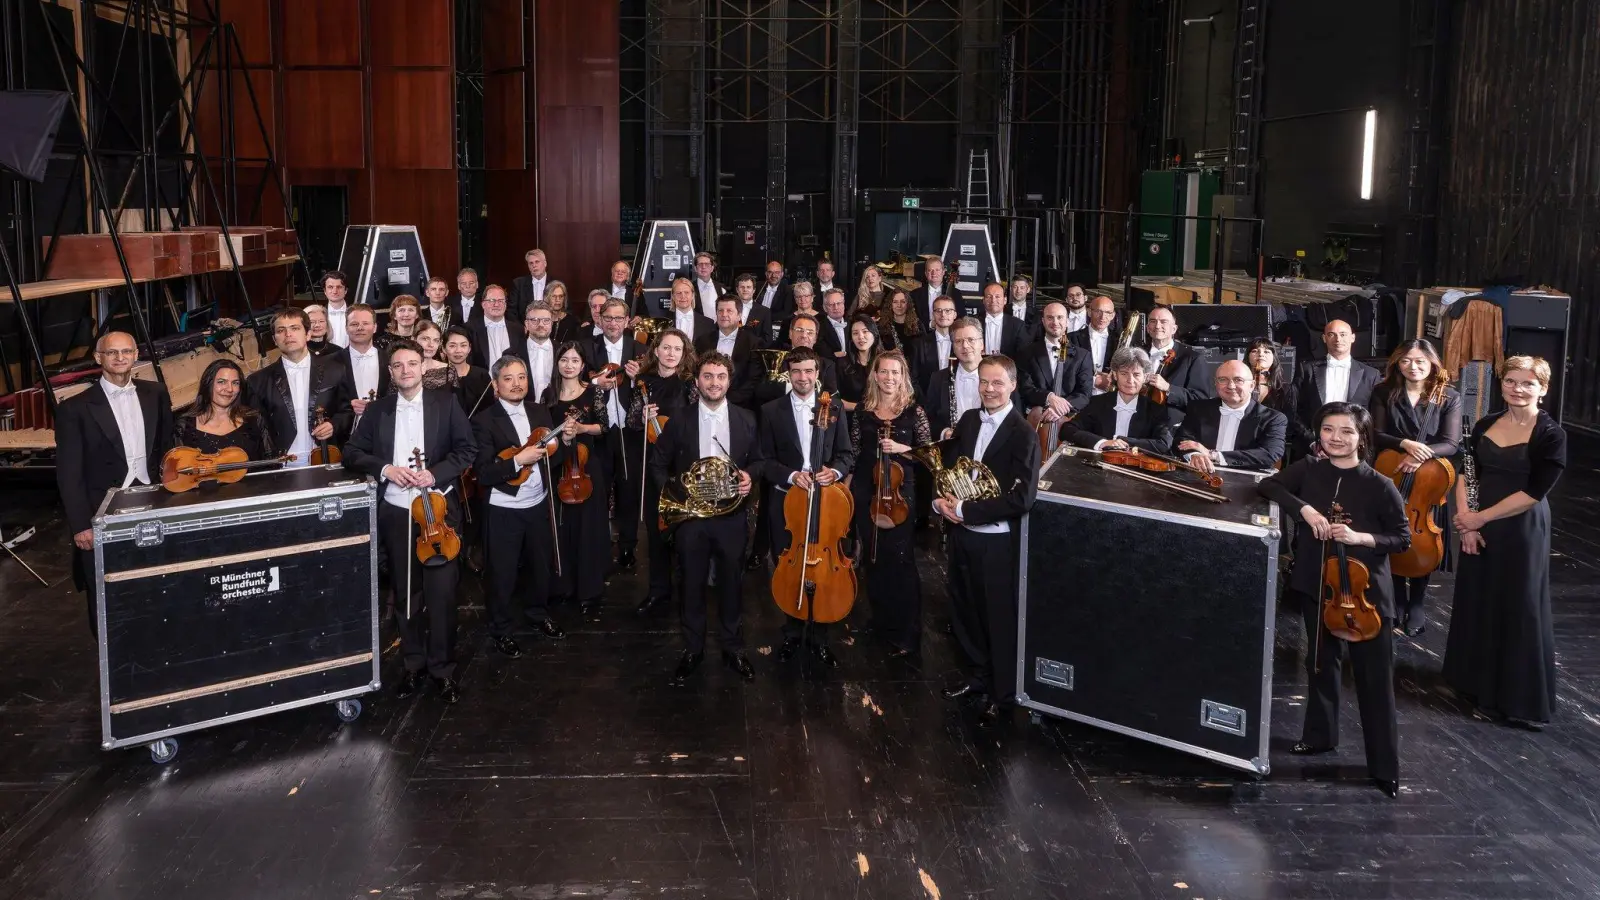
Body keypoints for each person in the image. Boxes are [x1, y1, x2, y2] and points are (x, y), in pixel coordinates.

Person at [1257, 402, 1410, 797]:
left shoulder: (1380, 484)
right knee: (1321, 664)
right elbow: (1268, 485)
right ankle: (1320, 736)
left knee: (1373, 678)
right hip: (1317, 584)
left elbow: (1402, 539)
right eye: (1328, 430)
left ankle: (1384, 766)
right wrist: (1304, 509)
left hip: (1366, 595)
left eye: (1346, 432)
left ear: (1363, 438)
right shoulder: (1308, 469)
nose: (1336, 438)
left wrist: (1361, 539)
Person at [343, 340, 477, 703]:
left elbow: (467, 450)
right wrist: (386, 468)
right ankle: (413, 665)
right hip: (397, 512)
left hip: (439, 513)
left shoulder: (446, 404)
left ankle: (443, 669)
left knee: (443, 595)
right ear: (391, 372)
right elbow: (352, 452)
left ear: (424, 368)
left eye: (412, 363)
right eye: (398, 365)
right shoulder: (377, 411)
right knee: (406, 595)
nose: (406, 370)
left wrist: (434, 474)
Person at [1444, 355, 1566, 730]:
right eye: (1511, 381)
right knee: (1479, 597)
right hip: (1478, 523)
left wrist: (1480, 518)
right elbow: (1467, 474)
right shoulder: (1485, 423)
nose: (1517, 389)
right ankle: (1474, 685)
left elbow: (1534, 493)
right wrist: (1467, 525)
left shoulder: (1550, 434)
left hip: (1520, 528)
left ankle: (1516, 698)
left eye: (1528, 383)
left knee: (1519, 605)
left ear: (1543, 390)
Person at [936, 354, 1040, 726]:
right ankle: (978, 679)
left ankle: (1003, 693)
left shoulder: (1024, 432)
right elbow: (949, 469)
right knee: (966, 611)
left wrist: (966, 510)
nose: (989, 389)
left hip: (996, 542)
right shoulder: (967, 420)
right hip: (963, 535)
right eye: (984, 382)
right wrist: (940, 499)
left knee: (999, 618)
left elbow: (1022, 498)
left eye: (997, 383)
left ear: (1012, 385)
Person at [651, 353, 760, 686]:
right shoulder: (679, 420)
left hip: (731, 517)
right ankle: (693, 648)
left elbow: (759, 461)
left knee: (732, 583)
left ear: (729, 380)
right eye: (708, 376)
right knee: (692, 584)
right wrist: (676, 498)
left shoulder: (747, 419)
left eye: (721, 377)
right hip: (692, 518)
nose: (715, 383)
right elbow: (658, 463)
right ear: (697, 381)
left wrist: (749, 477)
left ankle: (732, 647)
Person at [54, 332, 174, 630]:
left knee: (155, 578)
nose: (120, 358)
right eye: (112, 353)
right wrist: (81, 524)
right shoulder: (75, 408)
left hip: (152, 498)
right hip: (102, 509)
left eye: (126, 351)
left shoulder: (156, 393)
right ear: (98, 358)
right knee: (105, 589)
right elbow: (69, 473)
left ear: (136, 355)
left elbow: (167, 449)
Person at [758, 347, 856, 667]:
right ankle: (791, 632)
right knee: (787, 563)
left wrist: (835, 471)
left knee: (824, 566)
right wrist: (790, 475)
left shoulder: (835, 407)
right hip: (786, 502)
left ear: (817, 374)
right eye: (797, 371)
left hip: (825, 503)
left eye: (808, 371)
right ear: (789, 373)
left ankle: (820, 636)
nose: (803, 377)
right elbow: (762, 461)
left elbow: (846, 454)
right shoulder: (771, 410)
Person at [470, 353, 568, 657]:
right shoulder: (483, 421)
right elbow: (483, 472)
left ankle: (538, 614)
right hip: (504, 509)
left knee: (540, 566)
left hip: (538, 503)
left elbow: (557, 459)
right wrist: (516, 461)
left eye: (522, 377)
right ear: (496, 385)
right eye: (509, 378)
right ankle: (501, 628)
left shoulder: (540, 412)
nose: (517, 384)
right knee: (502, 572)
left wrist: (562, 443)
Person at [1370, 338, 1462, 635]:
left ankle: (1418, 603)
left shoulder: (1449, 396)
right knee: (1392, 533)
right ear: (1398, 362)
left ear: (1433, 364)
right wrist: (1405, 444)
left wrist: (1421, 456)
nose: (1413, 366)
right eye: (1407, 360)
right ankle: (1396, 598)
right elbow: (1377, 433)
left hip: (1428, 478)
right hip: (1391, 471)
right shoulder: (1384, 392)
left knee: (1422, 536)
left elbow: (1450, 443)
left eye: (1421, 361)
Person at [850, 350, 932, 657]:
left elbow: (927, 454)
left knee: (900, 559)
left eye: (895, 372)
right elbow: (856, 451)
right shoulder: (863, 410)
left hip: (900, 493)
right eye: (883, 372)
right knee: (874, 558)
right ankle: (881, 621)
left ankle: (907, 632)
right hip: (866, 490)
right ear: (874, 375)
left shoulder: (914, 411)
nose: (889, 378)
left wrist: (901, 447)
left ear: (903, 376)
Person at [631, 328, 699, 614]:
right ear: (656, 350)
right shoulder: (642, 382)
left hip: (682, 465)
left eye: (677, 349)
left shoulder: (689, 384)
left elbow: (699, 422)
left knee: (685, 531)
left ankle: (688, 590)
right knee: (656, 528)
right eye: (666, 348)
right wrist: (641, 417)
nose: (671, 353)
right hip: (654, 465)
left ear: (684, 355)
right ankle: (658, 590)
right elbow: (632, 422)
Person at [543, 343, 610, 618]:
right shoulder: (549, 394)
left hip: (586, 466)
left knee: (588, 529)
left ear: (583, 365)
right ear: (557, 363)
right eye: (564, 359)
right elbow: (544, 432)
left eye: (575, 360)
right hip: (560, 466)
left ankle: (589, 591)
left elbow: (604, 426)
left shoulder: (593, 392)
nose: (569, 365)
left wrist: (581, 428)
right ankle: (564, 586)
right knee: (562, 527)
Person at [244, 308, 353, 468]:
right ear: (274, 339)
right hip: (281, 465)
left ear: (308, 334)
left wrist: (333, 425)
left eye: (295, 328)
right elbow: (256, 430)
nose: (288, 335)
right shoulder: (257, 381)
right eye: (281, 330)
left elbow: (347, 411)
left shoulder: (336, 370)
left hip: (325, 459)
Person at [589, 298, 648, 569]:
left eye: (618, 318)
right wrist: (595, 383)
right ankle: (598, 545)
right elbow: (574, 379)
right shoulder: (589, 348)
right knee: (598, 491)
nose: (613, 323)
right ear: (600, 319)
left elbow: (653, 385)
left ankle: (627, 547)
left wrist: (637, 378)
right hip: (599, 432)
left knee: (628, 491)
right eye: (608, 318)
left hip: (629, 431)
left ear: (627, 321)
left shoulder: (640, 350)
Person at [1175, 360, 1289, 473]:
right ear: (1215, 383)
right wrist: (1195, 454)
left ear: (1252, 385)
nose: (1231, 386)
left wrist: (1213, 455)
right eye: (1223, 379)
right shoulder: (1198, 408)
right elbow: (1182, 440)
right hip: (1201, 478)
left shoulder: (1273, 418)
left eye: (1238, 380)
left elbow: (1269, 454)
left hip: (1246, 484)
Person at [1061, 347, 1174, 454]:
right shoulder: (1097, 403)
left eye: (1136, 374)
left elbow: (1164, 443)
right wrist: (1102, 442)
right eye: (1124, 374)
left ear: (1145, 377)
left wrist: (1122, 441)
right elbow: (1067, 430)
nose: (1130, 380)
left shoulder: (1155, 410)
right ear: (1115, 375)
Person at [1294, 318, 1380, 453]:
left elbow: (1374, 416)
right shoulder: (1306, 369)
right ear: (1324, 338)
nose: (1338, 339)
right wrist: (1312, 442)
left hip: (1353, 449)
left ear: (1353, 337)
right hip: (1312, 447)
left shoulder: (1371, 374)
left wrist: (1357, 443)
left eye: (1343, 334)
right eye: (1331, 334)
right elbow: (1294, 410)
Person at [1017, 301, 1093, 443]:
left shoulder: (1083, 356)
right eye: (1050, 317)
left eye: (1060, 317)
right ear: (1043, 321)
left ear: (1067, 321)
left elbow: (1084, 393)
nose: (1055, 322)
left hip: (1070, 419)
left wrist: (1060, 408)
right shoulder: (1027, 353)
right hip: (1037, 418)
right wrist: (1049, 397)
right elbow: (1025, 389)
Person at [176, 358, 272, 460]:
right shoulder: (184, 426)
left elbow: (271, 465)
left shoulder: (255, 420)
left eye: (235, 383)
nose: (229, 389)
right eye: (221, 382)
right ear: (208, 383)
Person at [1141, 305, 1212, 426]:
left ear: (1174, 329)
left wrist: (1168, 388)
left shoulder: (1192, 357)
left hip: (1171, 429)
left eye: (1164, 322)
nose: (1157, 326)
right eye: (1153, 321)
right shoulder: (1136, 354)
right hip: (1139, 423)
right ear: (1147, 328)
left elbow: (1200, 400)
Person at [925, 317, 985, 440]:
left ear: (982, 344)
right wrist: (944, 432)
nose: (965, 346)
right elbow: (928, 419)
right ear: (953, 347)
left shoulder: (999, 377)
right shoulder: (938, 379)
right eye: (958, 341)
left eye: (971, 340)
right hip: (951, 450)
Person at [694, 296, 757, 404]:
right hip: (705, 402)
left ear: (739, 315)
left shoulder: (754, 343)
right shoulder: (702, 341)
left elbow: (753, 380)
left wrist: (725, 402)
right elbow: (696, 373)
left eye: (729, 311)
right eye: (720, 310)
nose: (724, 314)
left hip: (740, 406)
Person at [340, 304, 389, 423]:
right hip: (345, 433)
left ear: (375, 327)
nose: (360, 328)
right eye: (354, 324)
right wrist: (349, 406)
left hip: (383, 428)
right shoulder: (332, 361)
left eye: (365, 323)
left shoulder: (389, 360)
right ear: (346, 328)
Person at [1068, 294, 1120, 395]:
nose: (1102, 317)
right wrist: (1094, 381)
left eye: (1108, 312)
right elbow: (1067, 371)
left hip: (1111, 398)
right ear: (1089, 312)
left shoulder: (1118, 340)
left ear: (1113, 315)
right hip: (1079, 397)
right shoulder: (1071, 338)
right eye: (1098, 311)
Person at [1245, 337, 1297, 437]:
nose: (1260, 354)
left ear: (1274, 358)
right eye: (1255, 351)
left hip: (1272, 439)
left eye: (1266, 351)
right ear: (1247, 357)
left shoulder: (1286, 389)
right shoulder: (1240, 385)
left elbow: (1289, 421)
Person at [910, 295, 957, 399]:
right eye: (938, 310)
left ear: (955, 315)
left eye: (948, 310)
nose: (943, 314)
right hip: (928, 401)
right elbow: (913, 379)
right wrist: (923, 402)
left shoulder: (963, 343)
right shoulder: (919, 344)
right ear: (933, 314)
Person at [466, 285, 522, 369]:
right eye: (492, 300)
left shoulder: (518, 329)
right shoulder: (469, 328)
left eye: (501, 301)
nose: (496, 304)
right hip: (482, 380)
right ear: (483, 304)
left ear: (505, 304)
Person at [514, 303, 558, 403]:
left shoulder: (563, 352)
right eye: (534, 320)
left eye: (546, 320)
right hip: (524, 411)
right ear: (526, 324)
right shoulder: (512, 354)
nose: (541, 324)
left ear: (551, 323)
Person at [838, 314, 882, 411]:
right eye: (855, 333)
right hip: (852, 418)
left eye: (865, 331)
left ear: (874, 334)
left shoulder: (884, 362)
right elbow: (835, 400)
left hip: (883, 417)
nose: (860, 337)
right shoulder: (843, 364)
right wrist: (861, 408)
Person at [445, 326, 492, 417]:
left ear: (469, 348)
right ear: (443, 348)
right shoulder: (437, 377)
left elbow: (489, 409)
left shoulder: (482, 375)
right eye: (452, 346)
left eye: (463, 345)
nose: (458, 350)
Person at [665, 276, 716, 345]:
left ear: (692, 295)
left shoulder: (708, 324)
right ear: (673, 297)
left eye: (686, 292)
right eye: (679, 293)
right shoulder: (663, 323)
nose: (683, 296)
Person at [979, 283, 1025, 358]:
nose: (993, 300)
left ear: (1005, 300)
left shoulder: (1018, 325)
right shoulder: (973, 323)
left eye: (997, 296)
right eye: (989, 296)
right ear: (983, 300)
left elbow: (1022, 355)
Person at [410, 320, 457, 391]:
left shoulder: (448, 371)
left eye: (436, 340)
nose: (431, 345)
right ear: (413, 339)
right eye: (425, 339)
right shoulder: (401, 369)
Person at [732, 273, 773, 348]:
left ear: (754, 290)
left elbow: (767, 340)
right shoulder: (728, 309)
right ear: (737, 289)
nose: (745, 290)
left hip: (753, 355)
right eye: (742, 287)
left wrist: (749, 342)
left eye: (748, 287)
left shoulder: (764, 312)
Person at [777, 281, 821, 349]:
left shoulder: (822, 318)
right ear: (795, 299)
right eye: (799, 296)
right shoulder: (787, 320)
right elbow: (782, 343)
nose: (802, 299)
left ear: (812, 297)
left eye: (806, 296)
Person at [511, 248, 553, 316]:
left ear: (545, 263)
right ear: (528, 266)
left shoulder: (556, 283)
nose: (534, 265)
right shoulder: (518, 284)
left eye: (537, 262)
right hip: (524, 325)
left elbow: (564, 310)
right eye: (531, 263)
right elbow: (511, 312)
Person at [877, 287, 920, 353]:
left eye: (903, 302)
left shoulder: (918, 325)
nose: (899, 305)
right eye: (895, 302)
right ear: (890, 305)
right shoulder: (882, 326)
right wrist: (889, 353)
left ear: (908, 304)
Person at [320, 270, 353, 347]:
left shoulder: (356, 314)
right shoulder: (319, 314)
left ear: (346, 290)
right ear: (325, 291)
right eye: (330, 287)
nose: (335, 291)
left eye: (339, 287)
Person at [1005, 274, 1041, 343]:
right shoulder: (1003, 311)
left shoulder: (1037, 314)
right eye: (1015, 287)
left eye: (1022, 288)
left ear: (1028, 289)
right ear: (1011, 288)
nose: (1018, 291)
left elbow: (1038, 339)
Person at [910, 257, 947, 324]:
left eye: (937, 270)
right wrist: (930, 325)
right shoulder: (914, 295)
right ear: (926, 274)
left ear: (943, 272)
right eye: (930, 270)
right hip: (924, 333)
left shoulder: (955, 294)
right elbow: (912, 319)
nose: (934, 273)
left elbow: (960, 319)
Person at [817, 288, 852, 359]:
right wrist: (833, 355)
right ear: (825, 308)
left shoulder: (853, 324)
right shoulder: (818, 327)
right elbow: (819, 352)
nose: (836, 307)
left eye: (838, 303)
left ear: (843, 304)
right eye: (831, 304)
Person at [691, 252, 723, 319]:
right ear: (695, 268)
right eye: (700, 264)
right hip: (699, 327)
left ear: (712, 268)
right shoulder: (689, 288)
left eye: (707, 264)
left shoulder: (721, 288)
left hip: (718, 327)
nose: (703, 267)